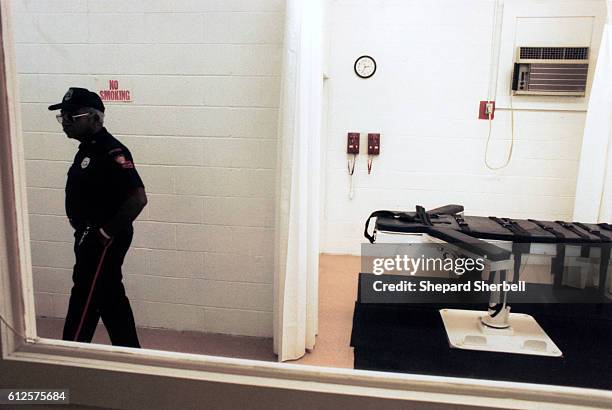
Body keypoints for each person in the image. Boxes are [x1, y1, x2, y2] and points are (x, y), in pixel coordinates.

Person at [48, 87, 147, 347]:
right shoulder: (88, 148)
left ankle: (71, 355)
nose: (66, 121)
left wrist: (103, 234)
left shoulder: (111, 150)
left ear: (95, 117)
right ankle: (131, 354)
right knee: (109, 295)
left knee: (85, 294)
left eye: (73, 115)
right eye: (63, 116)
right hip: (90, 233)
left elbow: (138, 198)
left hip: (103, 236)